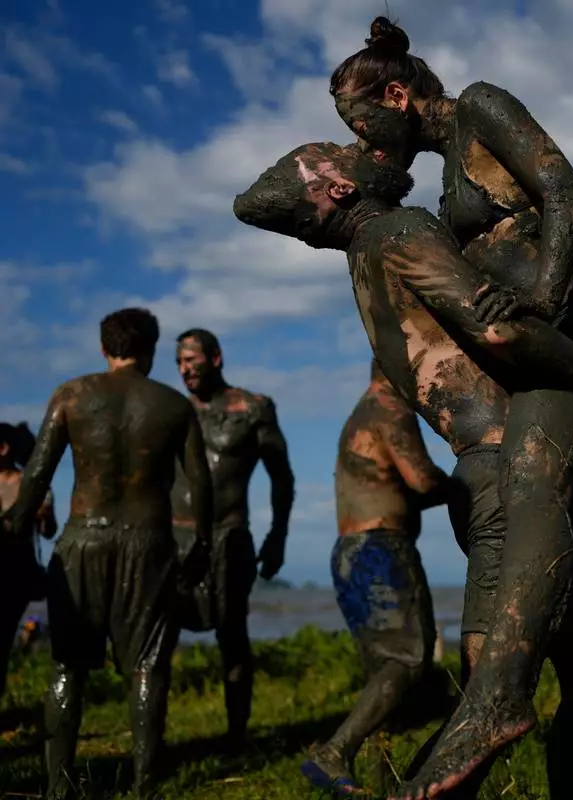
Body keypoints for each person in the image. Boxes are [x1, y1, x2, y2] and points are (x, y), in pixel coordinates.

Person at [234, 137, 573, 798]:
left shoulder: (364, 263)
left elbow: (252, 203)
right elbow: (499, 331)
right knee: (491, 705)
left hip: (495, 475)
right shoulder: (399, 230)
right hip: (510, 476)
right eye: (342, 148)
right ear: (338, 187)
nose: (362, 144)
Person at [328, 22, 573, 795]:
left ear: (397, 94)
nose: (365, 142)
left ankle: (498, 701)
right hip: (542, 360)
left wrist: (543, 301)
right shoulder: (439, 184)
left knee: (530, 476)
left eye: (361, 123)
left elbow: (567, 190)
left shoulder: (480, 105)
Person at [1, 308, 212, 798]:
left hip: (82, 541)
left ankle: (59, 787)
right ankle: (144, 785)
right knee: (147, 666)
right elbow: (201, 485)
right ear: (151, 350)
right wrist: (201, 544)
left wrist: (13, 528)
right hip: (148, 543)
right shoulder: (173, 406)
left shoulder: (71, 395)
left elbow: (37, 473)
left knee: (68, 666)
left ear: (103, 348)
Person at [301, 359, 451, 794]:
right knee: (409, 660)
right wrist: (466, 484)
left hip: (349, 554)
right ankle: (334, 752)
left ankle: (384, 783)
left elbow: (395, 489)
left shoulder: (361, 412)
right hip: (381, 553)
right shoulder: (390, 407)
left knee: (382, 674)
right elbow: (422, 481)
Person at [170, 328, 295, 753]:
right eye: (179, 362)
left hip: (228, 537)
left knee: (233, 638)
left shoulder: (253, 409)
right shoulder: (171, 410)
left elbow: (282, 478)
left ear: (216, 358)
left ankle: (236, 737)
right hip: (174, 540)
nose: (184, 369)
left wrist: (278, 536)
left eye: (191, 360)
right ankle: (153, 744)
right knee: (158, 637)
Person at [0, 421, 56, 698]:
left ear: (3, 448)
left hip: (14, 576)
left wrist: (42, 515)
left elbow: (49, 531)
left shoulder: (31, 486)